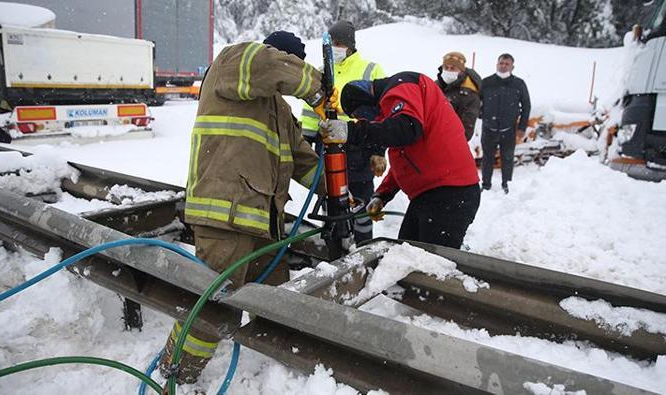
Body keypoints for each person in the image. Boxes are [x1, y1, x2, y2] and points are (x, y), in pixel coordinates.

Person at [158, 31, 331, 384]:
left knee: (276, 303)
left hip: (264, 224)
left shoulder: (279, 110)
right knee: (212, 308)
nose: (288, 70)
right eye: (290, 62)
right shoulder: (233, 62)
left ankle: (269, 374)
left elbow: (303, 162)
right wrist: (317, 85)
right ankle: (176, 378)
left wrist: (341, 189)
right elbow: (268, 64)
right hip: (225, 212)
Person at [319, 72, 481, 249]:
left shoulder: (402, 85)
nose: (368, 118)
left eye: (362, 114)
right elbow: (406, 158)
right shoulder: (399, 111)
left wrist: (353, 131)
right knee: (405, 255)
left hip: (449, 194)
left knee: (430, 265)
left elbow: (407, 129)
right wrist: (382, 195)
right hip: (433, 194)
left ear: (367, 97)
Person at [299, 20, 386, 244]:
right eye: (332, 43)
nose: (335, 48)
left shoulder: (371, 70)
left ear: (350, 45)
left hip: (360, 147)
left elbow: (381, 113)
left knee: (361, 204)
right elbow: (310, 111)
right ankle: (334, 249)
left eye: (339, 43)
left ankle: (364, 248)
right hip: (327, 148)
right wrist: (305, 141)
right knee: (331, 204)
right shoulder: (320, 72)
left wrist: (378, 150)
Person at [479, 53, 531, 194]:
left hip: (509, 129)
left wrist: (522, 127)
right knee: (487, 158)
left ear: (512, 67)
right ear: (497, 64)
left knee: (507, 158)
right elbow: (477, 102)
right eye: (501, 63)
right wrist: (481, 115)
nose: (503, 66)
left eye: (506, 64)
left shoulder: (518, 84)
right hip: (489, 128)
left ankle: (507, 184)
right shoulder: (486, 82)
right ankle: (486, 184)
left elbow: (526, 106)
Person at [435, 51, 482, 141]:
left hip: (450, 143)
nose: (448, 71)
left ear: (461, 71)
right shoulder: (434, 87)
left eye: (453, 68)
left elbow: (466, 130)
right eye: (446, 67)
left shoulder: (470, 96)